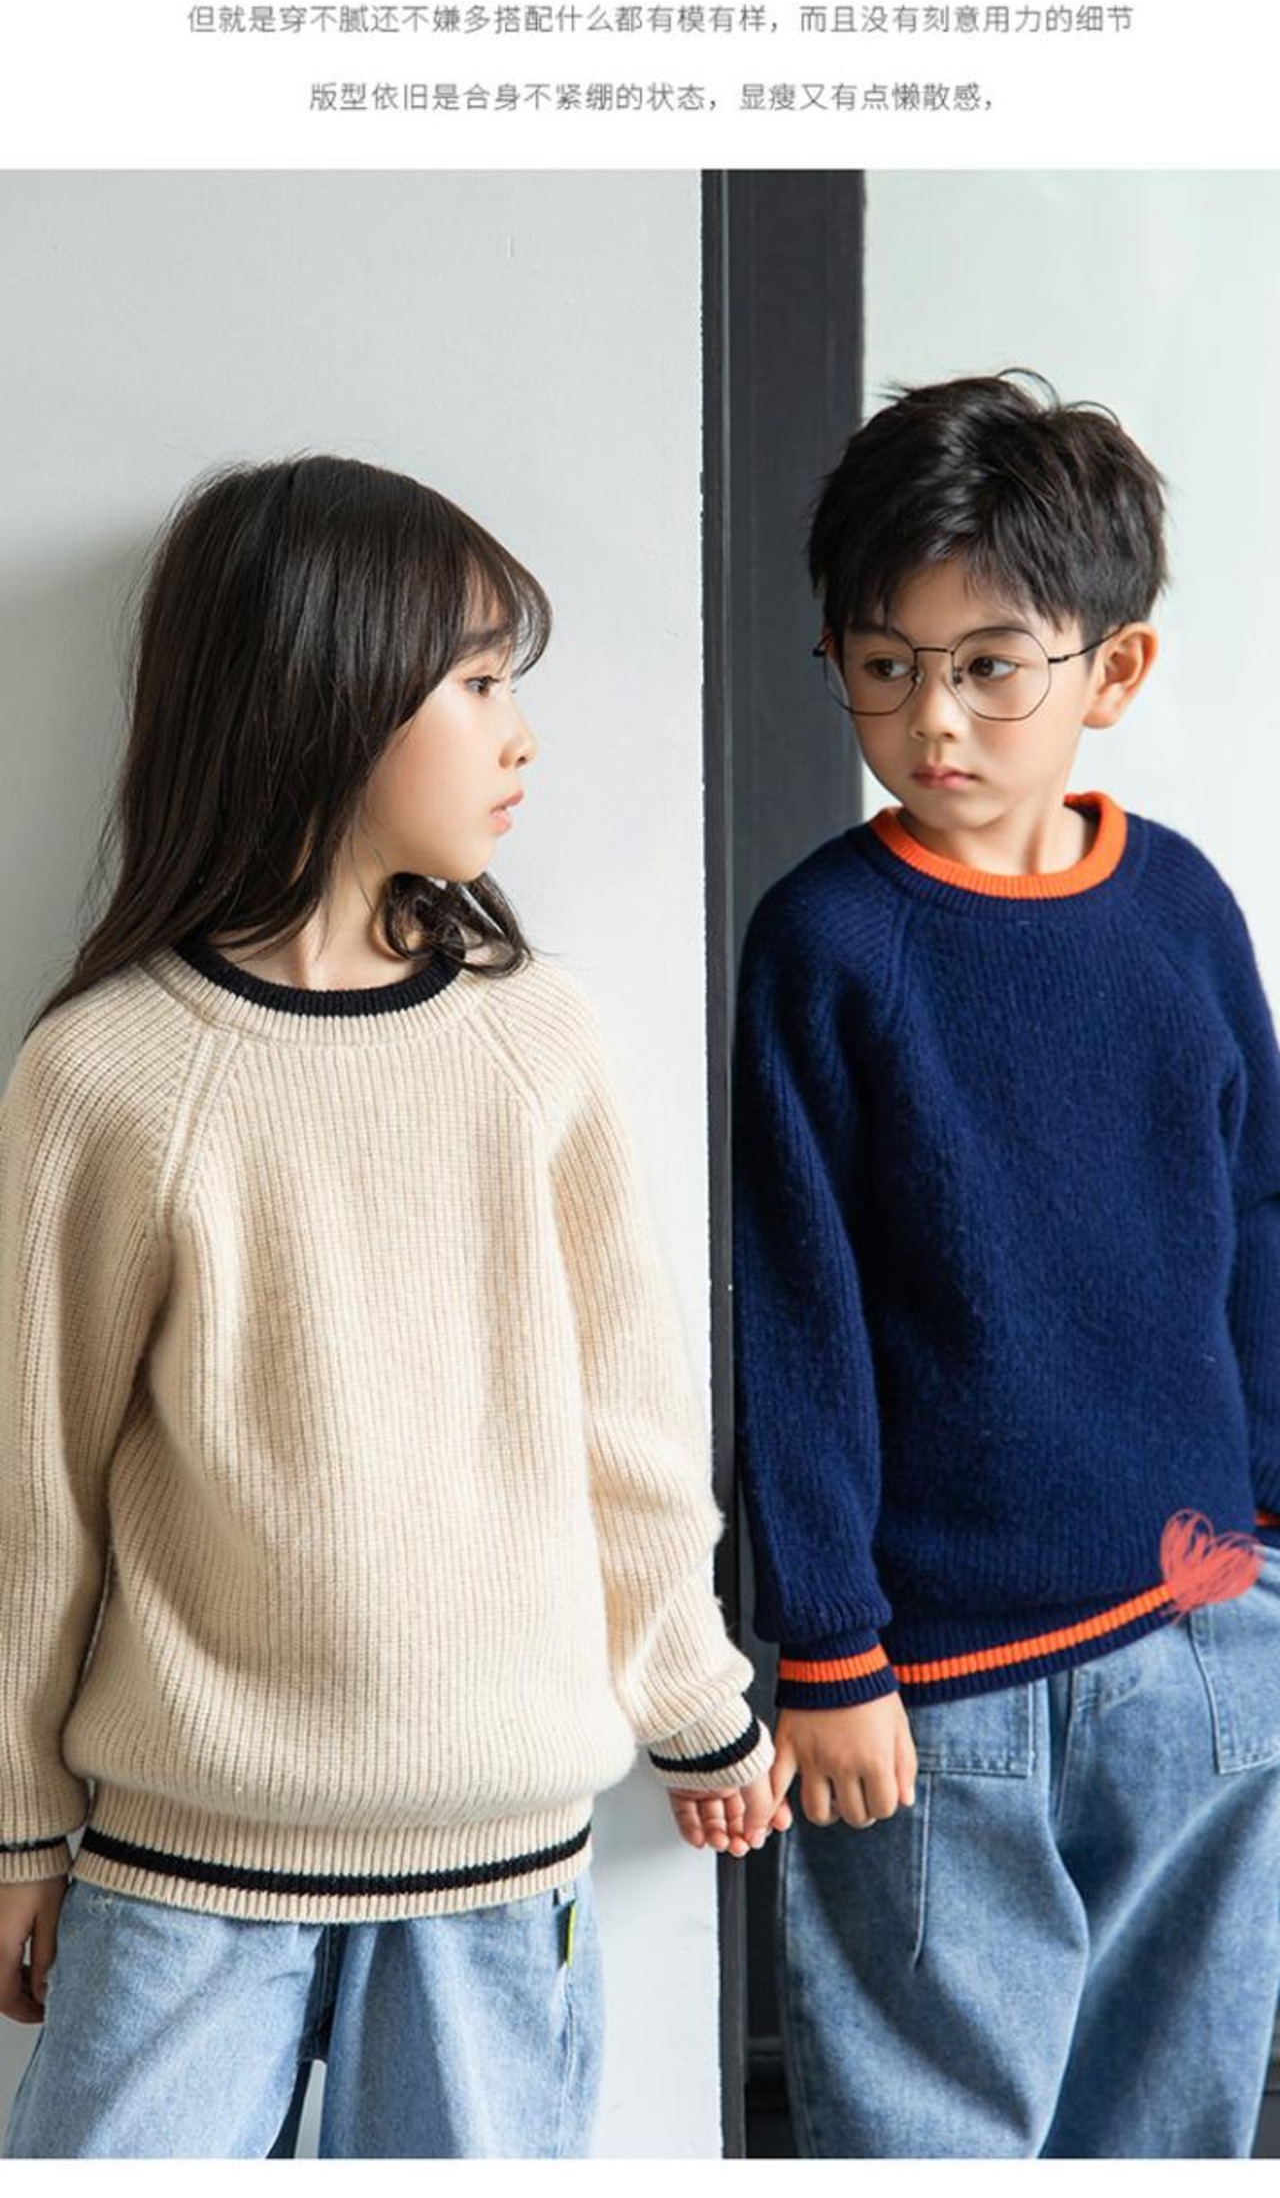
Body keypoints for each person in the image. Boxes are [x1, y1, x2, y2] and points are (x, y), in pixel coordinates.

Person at [0, 454, 780, 2161]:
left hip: (498, 1858)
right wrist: (16, 1823)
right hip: (183, 1856)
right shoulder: (110, 1073)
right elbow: (31, 1492)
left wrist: (693, 1694)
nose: (523, 736)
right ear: (327, 695)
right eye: (480, 682)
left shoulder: (534, 1040)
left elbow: (629, 1424)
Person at [733, 373, 1280, 2159]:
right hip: (938, 1684)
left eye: (988, 666)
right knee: (932, 2136)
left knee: (1176, 2125)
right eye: (884, 665)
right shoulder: (826, 940)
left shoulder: (1184, 905)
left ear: (1111, 671)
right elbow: (796, 1307)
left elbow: (1258, 1217)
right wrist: (829, 1644)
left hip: (1206, 1631)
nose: (932, 718)